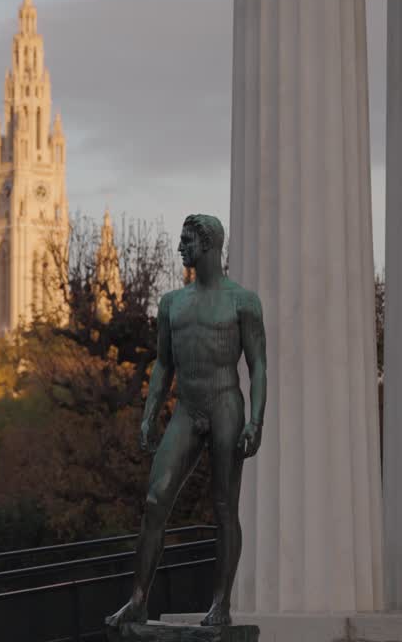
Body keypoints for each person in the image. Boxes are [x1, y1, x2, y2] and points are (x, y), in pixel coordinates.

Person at [105, 214, 267, 628]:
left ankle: (221, 604)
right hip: (187, 407)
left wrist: (256, 422)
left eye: (187, 241)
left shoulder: (242, 301)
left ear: (209, 245)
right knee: (156, 499)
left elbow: (258, 365)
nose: (180, 248)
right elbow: (163, 365)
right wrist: (148, 415)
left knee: (224, 506)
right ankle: (138, 600)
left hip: (226, 405)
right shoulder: (171, 303)